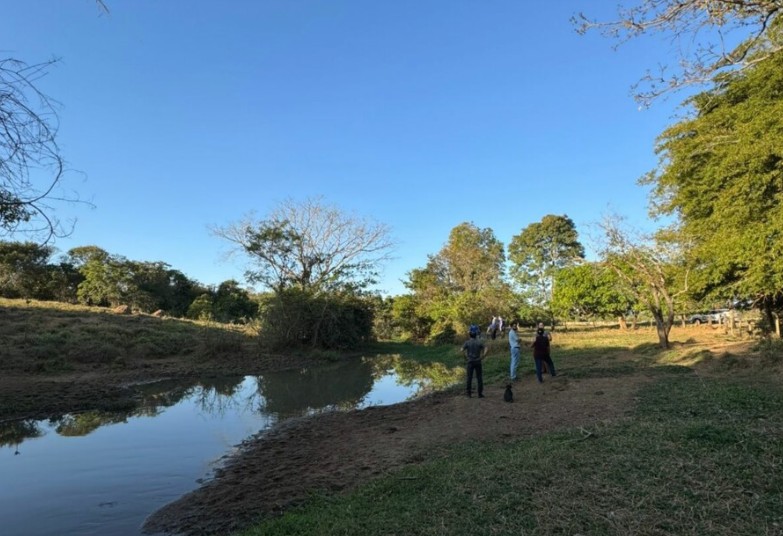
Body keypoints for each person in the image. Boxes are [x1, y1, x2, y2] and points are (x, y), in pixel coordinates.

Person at [462, 324, 487, 398]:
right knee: (479, 377)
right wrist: (483, 356)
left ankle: (469, 393)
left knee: (469, 377)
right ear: (476, 334)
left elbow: (461, 350)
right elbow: (486, 348)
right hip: (478, 361)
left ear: (469, 334)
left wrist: (465, 358)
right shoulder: (479, 342)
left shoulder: (467, 342)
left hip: (470, 362)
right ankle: (480, 394)